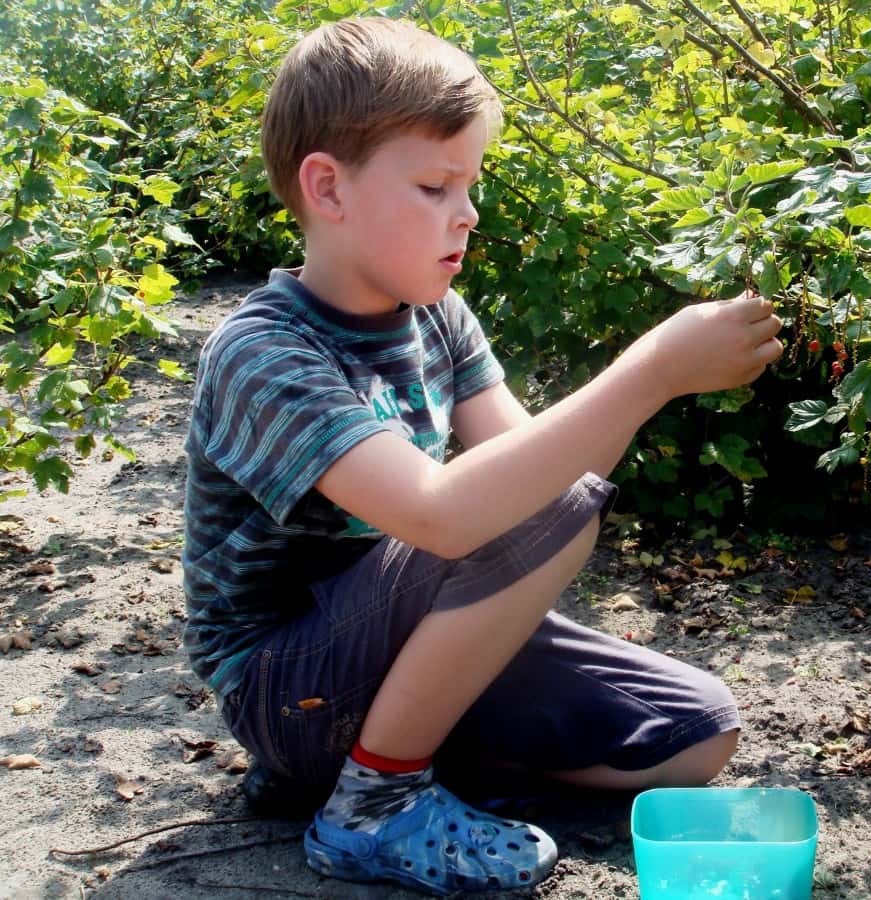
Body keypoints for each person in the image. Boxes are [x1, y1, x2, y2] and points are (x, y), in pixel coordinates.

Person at [182, 16, 783, 896]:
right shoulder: (263, 354)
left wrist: (669, 377)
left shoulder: (435, 317)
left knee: (695, 735)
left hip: (396, 647)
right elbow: (448, 512)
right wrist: (651, 371)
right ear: (327, 188)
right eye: (435, 184)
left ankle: (371, 764)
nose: (468, 213)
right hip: (283, 682)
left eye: (471, 183)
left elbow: (532, 461)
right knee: (548, 503)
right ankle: (373, 802)